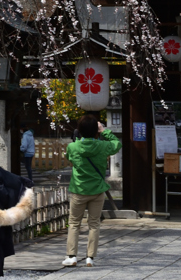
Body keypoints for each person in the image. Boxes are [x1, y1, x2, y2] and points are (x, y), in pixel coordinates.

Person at [62, 114, 121, 268]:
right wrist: (104, 131)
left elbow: (69, 157)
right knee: (94, 224)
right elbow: (116, 144)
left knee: (74, 223)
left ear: (79, 130)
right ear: (96, 130)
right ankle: (90, 258)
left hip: (79, 190)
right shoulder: (102, 146)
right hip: (97, 190)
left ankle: (72, 256)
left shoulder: (72, 147)